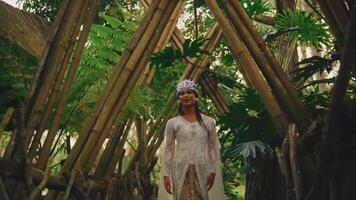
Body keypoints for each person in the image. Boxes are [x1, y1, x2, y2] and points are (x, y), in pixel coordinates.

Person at [161, 79, 219, 200]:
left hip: (201, 168)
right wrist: (166, 175)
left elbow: (212, 147)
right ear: (179, 98)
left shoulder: (208, 122)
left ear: (196, 96)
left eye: (189, 92)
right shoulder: (173, 123)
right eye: (182, 93)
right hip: (180, 169)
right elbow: (169, 149)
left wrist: (212, 171)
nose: (186, 95)